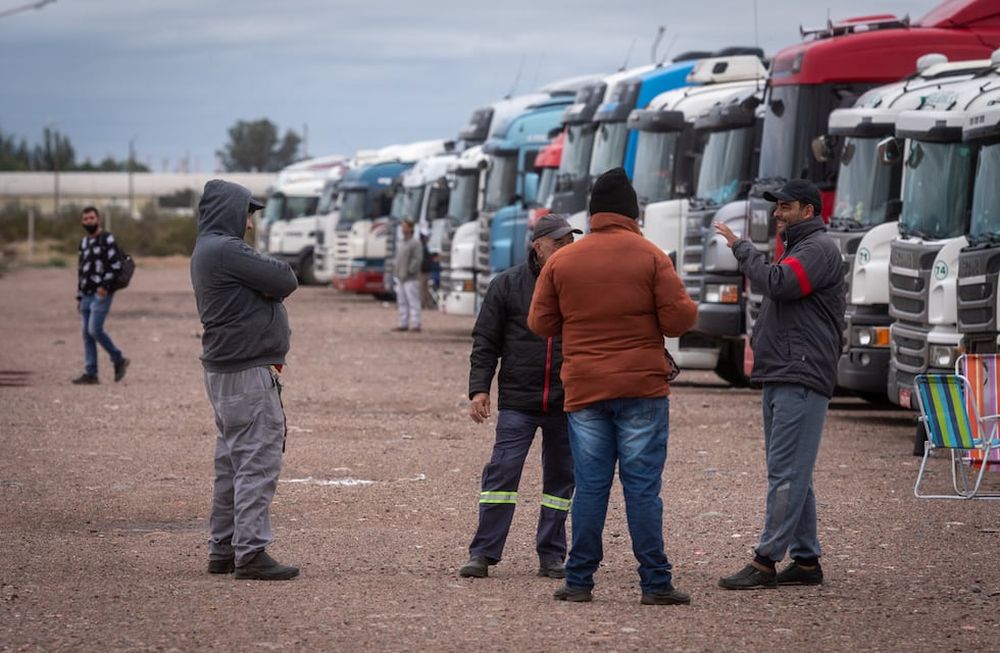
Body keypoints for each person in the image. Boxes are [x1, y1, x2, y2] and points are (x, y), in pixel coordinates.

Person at [528, 167, 698, 606]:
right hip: (642, 387)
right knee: (642, 488)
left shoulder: (563, 260)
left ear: (593, 212)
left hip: (585, 390)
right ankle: (655, 583)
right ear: (632, 213)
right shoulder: (652, 256)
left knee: (591, 485)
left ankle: (580, 580)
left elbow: (540, 323)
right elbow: (680, 320)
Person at [713, 178, 845, 590]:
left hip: (800, 374)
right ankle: (806, 561)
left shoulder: (818, 249)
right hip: (783, 372)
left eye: (785, 207)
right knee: (790, 470)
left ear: (808, 210)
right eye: (776, 207)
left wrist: (741, 248)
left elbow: (778, 283)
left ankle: (766, 559)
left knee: (786, 472)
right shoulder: (799, 247)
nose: (777, 213)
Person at [459, 214, 580, 580]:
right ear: (538, 246)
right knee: (503, 473)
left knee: (561, 481)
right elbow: (486, 342)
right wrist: (480, 389)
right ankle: (483, 553)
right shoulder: (507, 285)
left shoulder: (580, 286)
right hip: (518, 402)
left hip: (566, 402)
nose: (566, 250)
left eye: (570, 244)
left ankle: (551, 555)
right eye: (559, 244)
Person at [190, 180, 300, 581]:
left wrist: (263, 290)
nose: (250, 223)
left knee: (231, 463)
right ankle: (251, 552)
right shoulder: (226, 249)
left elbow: (269, 284)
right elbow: (285, 279)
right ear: (230, 211)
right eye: (247, 213)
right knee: (257, 460)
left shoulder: (208, 249)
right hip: (246, 372)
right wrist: (267, 289)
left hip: (224, 370)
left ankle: (223, 548)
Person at [73, 206, 129, 385]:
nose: (89, 221)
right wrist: (79, 296)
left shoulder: (107, 239)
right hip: (86, 294)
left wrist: (105, 286)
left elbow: (115, 265)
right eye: (86, 219)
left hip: (101, 293)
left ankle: (118, 358)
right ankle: (91, 372)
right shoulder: (83, 243)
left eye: (91, 218)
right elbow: (81, 271)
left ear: (98, 219)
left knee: (94, 329)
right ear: (82, 222)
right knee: (86, 334)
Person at [393, 219, 423, 332]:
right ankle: (403, 323)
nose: (403, 229)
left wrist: (410, 270)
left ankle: (416, 323)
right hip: (401, 277)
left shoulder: (415, 243)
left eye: (405, 227)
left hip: (411, 278)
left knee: (413, 300)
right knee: (402, 301)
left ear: (411, 228)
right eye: (402, 227)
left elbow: (417, 259)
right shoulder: (402, 242)